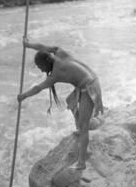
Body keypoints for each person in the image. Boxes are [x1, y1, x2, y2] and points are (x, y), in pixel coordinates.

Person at [17, 38, 104, 170]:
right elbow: (42, 45)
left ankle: (81, 162)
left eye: (41, 68)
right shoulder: (59, 52)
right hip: (90, 79)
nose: (41, 71)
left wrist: (23, 96)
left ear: (46, 63)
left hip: (90, 87)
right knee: (71, 102)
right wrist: (28, 45)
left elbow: (38, 88)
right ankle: (81, 129)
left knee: (84, 125)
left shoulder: (56, 74)